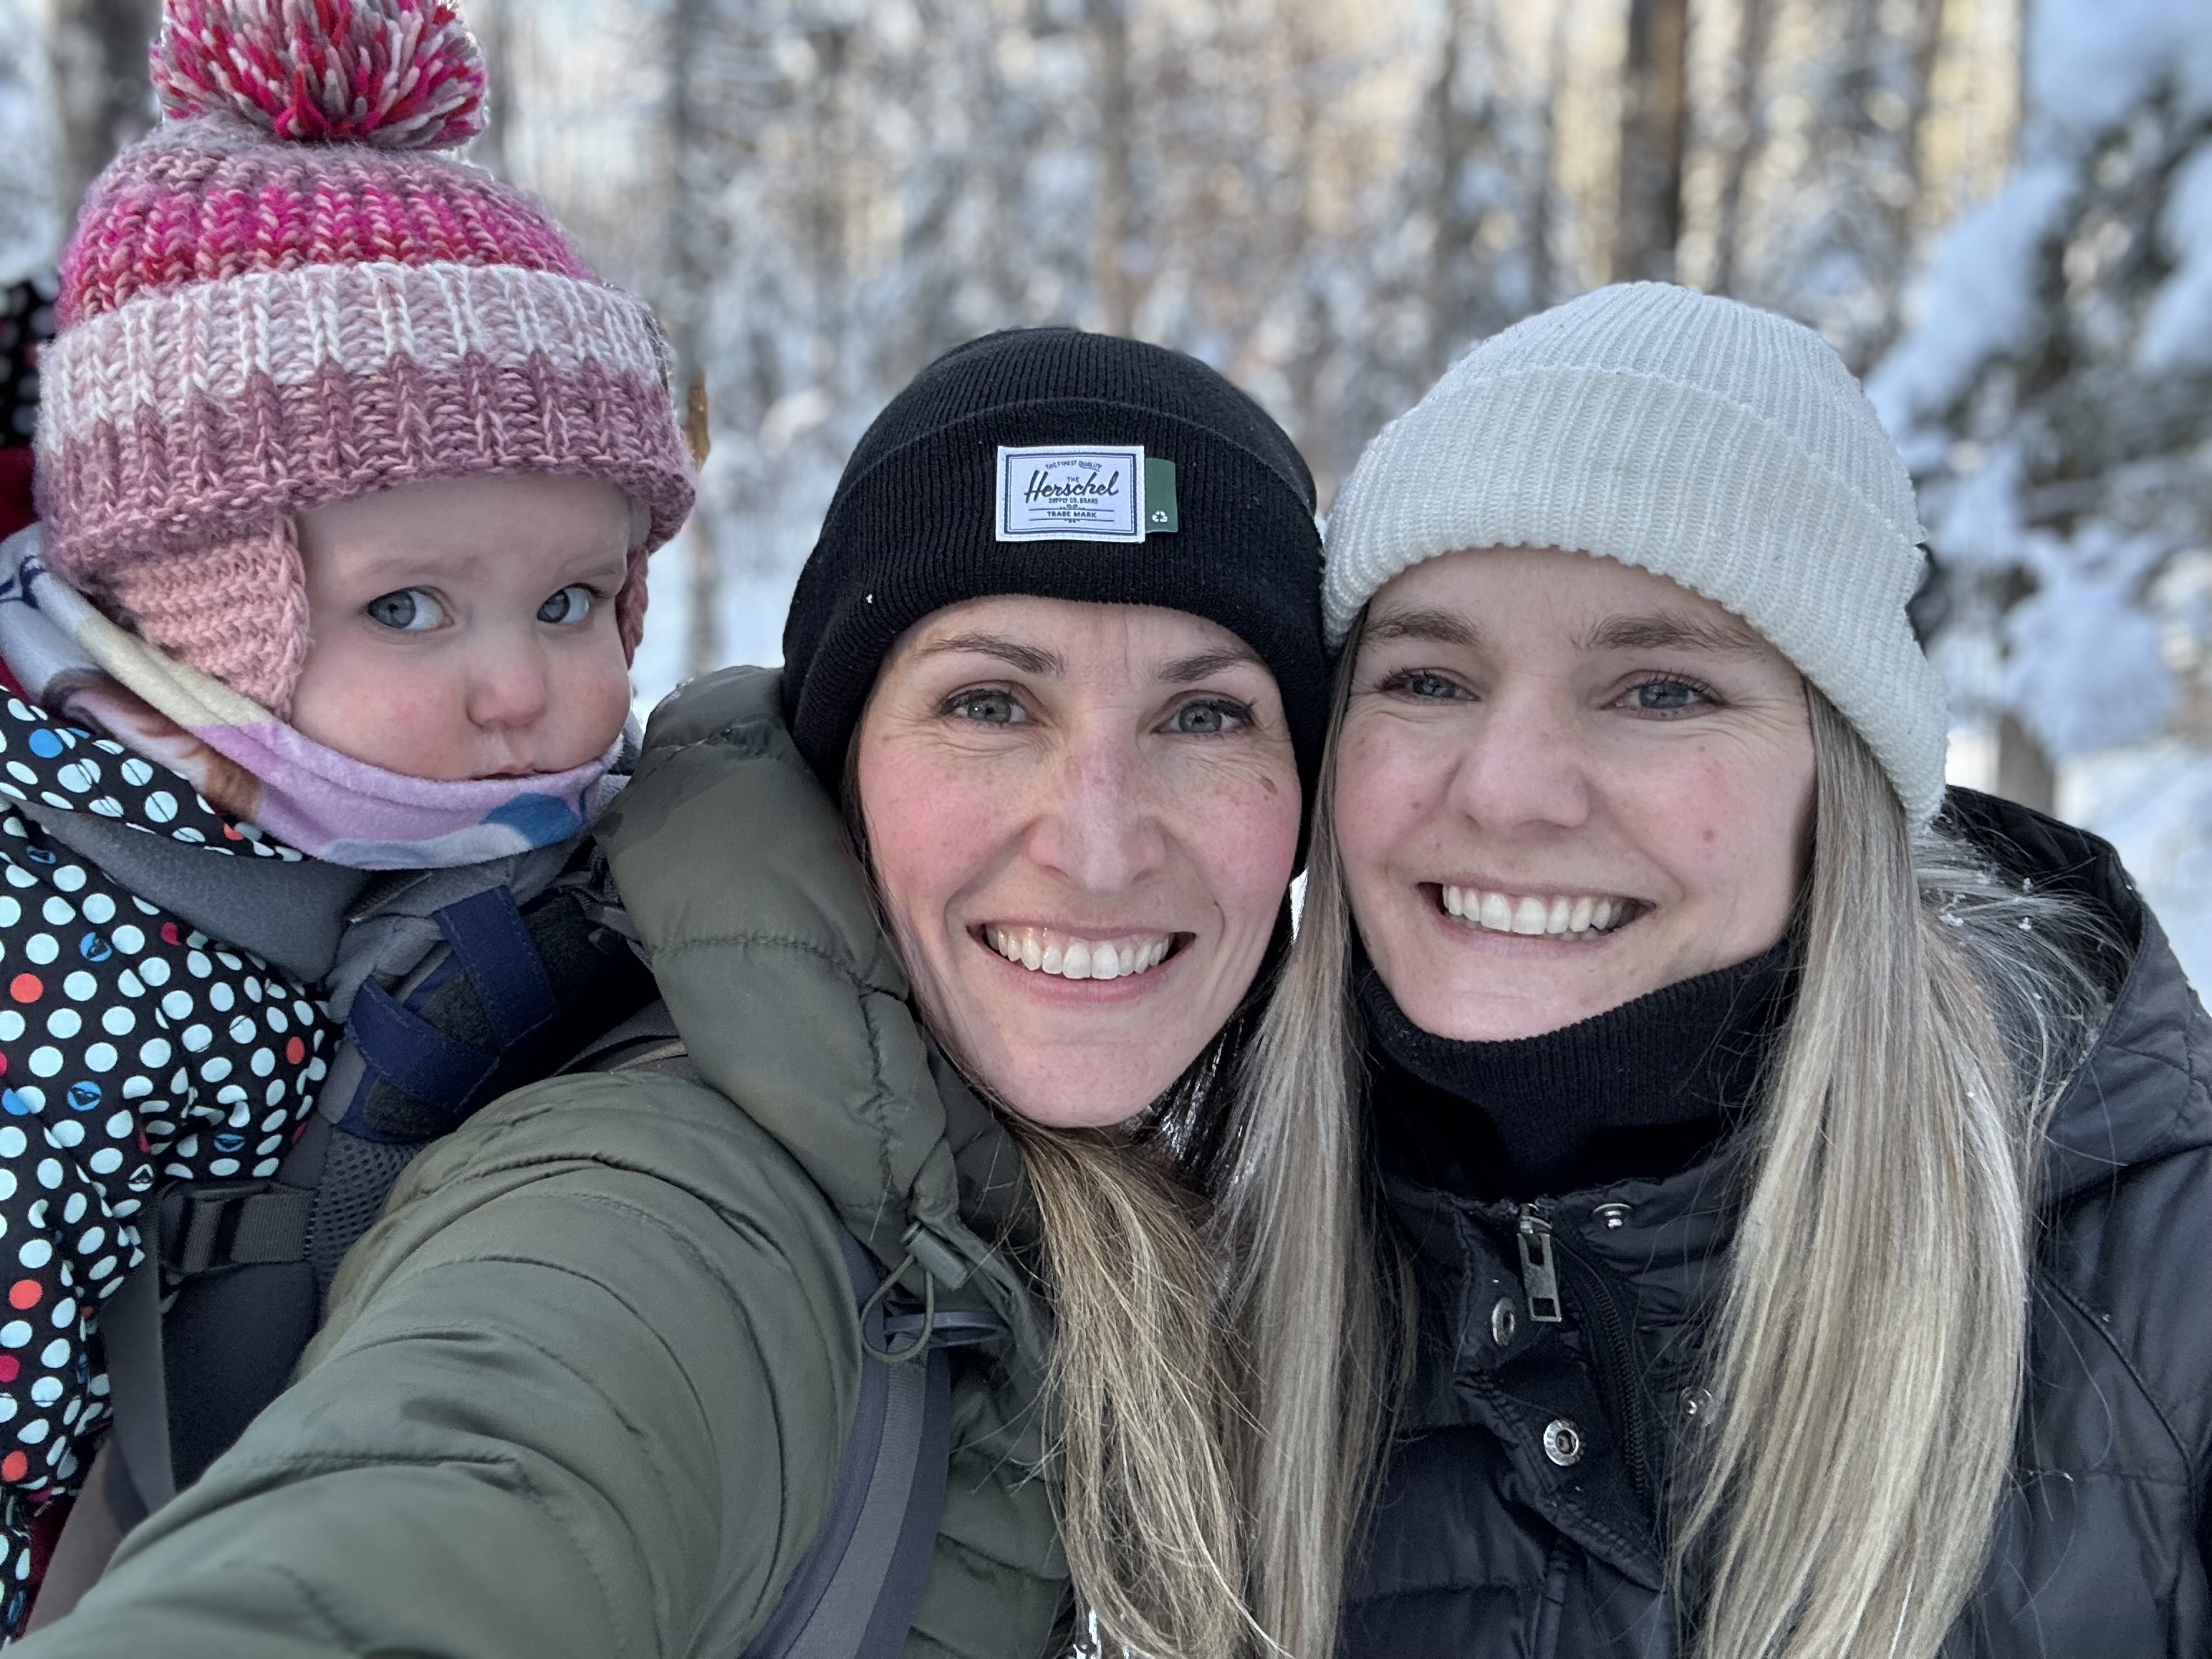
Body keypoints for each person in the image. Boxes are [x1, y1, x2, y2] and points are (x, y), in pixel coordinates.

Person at [13, 324, 1345, 1659]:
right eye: (990, 705)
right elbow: (454, 1485)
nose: (1099, 846)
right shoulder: (656, 1207)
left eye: (1206, 715)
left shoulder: (1223, 1211)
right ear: (840, 766)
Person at [1244, 282, 2212, 1658]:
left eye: (1662, 691)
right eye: (1429, 681)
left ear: (1842, 782)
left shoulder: (2169, 1285)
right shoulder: (1196, 1255)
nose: (1508, 791)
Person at [0, 0, 693, 1629]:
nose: (518, 689)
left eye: (571, 601)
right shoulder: (71, 950)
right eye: (408, 608)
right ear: (199, 611)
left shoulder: (562, 837)